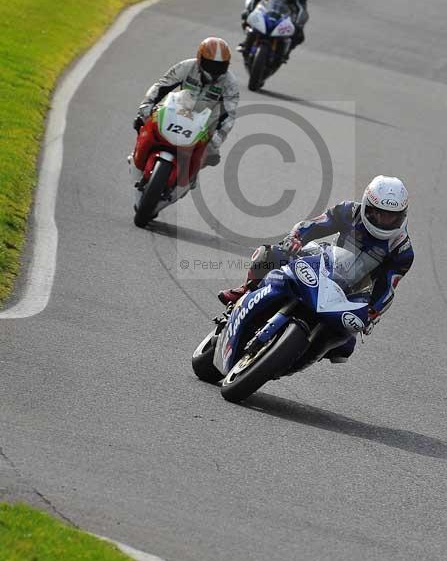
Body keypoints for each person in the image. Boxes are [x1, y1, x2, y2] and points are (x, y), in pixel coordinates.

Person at [218, 176, 414, 363]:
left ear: (402, 215)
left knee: (344, 346)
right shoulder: (349, 211)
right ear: (367, 206)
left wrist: (373, 311)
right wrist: (296, 238)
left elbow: (388, 287)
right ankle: (246, 290)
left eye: (391, 216)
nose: (383, 220)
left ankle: (302, 354)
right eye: (378, 213)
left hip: (352, 293)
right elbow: (316, 225)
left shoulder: (402, 250)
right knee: (271, 254)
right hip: (324, 264)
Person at [132, 37, 239, 184]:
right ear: (200, 59)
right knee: (145, 122)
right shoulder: (186, 66)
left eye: (220, 66)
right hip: (177, 110)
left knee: (209, 153)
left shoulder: (230, 83)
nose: (214, 71)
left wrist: (216, 140)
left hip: (204, 123)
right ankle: (138, 154)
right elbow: (161, 86)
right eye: (210, 64)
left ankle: (188, 177)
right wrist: (146, 106)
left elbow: (230, 115)